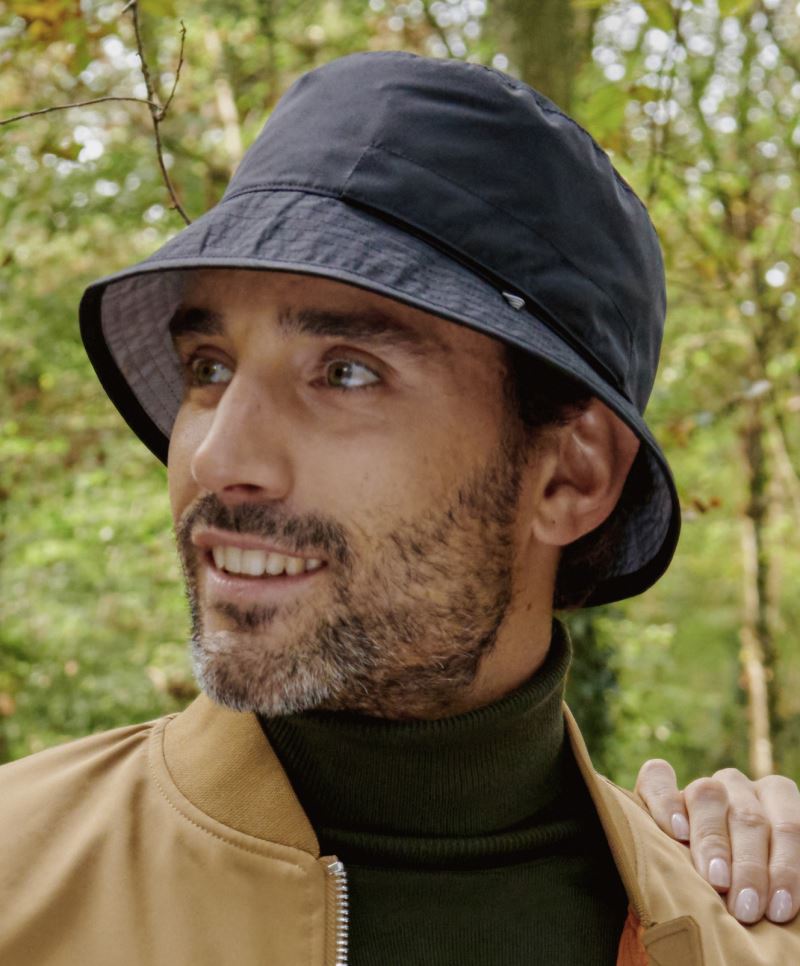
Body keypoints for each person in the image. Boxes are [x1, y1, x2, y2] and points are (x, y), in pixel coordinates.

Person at [1, 51, 798, 965]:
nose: (217, 458)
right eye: (208, 368)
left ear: (568, 478)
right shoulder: (19, 881)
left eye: (345, 373)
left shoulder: (736, 938)